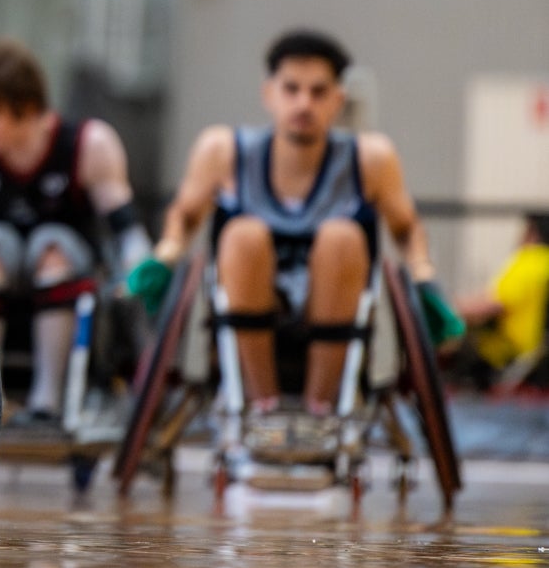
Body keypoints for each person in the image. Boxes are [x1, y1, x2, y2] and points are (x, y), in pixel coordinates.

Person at [125, 28, 461, 451]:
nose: (304, 103)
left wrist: (423, 278)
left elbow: (407, 227)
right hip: (251, 298)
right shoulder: (222, 149)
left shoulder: (372, 158)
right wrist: (166, 255)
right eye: (292, 89)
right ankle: (263, 407)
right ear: (269, 93)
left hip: (336, 297)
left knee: (341, 237)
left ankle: (320, 413)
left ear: (338, 99)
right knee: (243, 234)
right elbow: (185, 214)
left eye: (319, 92)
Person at [0, 38, 150, 430]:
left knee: (52, 245)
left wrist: (142, 270)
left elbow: (126, 229)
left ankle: (47, 402)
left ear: (25, 108)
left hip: (62, 269)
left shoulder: (90, 144)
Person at [452, 211, 549, 388]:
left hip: (507, 352)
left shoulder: (530, 260)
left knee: (449, 340)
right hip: (534, 352)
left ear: (533, 234)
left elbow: (495, 303)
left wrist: (452, 307)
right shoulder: (545, 264)